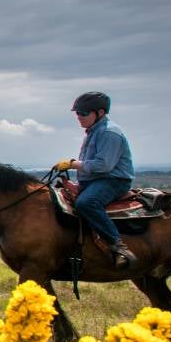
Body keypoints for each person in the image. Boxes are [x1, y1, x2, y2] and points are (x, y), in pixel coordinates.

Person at [53, 92, 137, 268]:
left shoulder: (109, 133)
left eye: (83, 113)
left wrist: (72, 164)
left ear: (100, 112)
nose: (79, 117)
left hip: (114, 181)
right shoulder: (92, 131)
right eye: (77, 114)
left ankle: (118, 246)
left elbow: (103, 165)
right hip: (96, 181)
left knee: (86, 203)